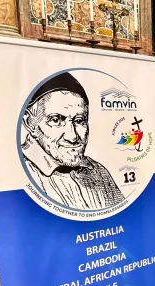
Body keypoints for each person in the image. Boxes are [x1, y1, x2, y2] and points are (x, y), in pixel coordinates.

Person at [21, 72, 124, 209]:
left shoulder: (98, 172)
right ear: (29, 122)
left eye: (79, 121)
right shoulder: (20, 175)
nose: (73, 137)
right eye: (56, 120)